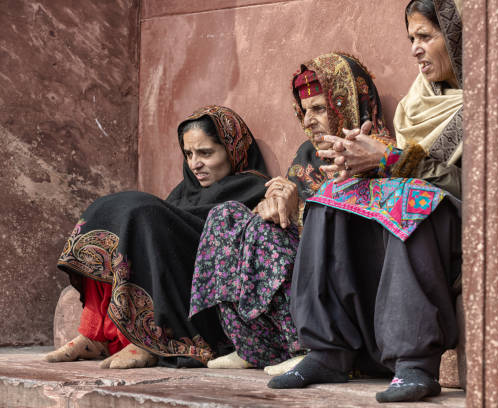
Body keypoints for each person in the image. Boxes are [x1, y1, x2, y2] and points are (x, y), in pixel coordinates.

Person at [268, 0, 463, 403]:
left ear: (458, 38)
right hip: (428, 202)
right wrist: (361, 162)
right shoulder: (414, 105)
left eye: (425, 36)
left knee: (413, 200)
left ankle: (414, 363)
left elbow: (479, 185)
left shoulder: (488, 105)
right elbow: (401, 168)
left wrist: (390, 159)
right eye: (411, 38)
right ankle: (328, 350)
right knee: (332, 195)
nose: (414, 48)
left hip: (467, 216)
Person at [189, 52, 392, 373]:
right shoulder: (308, 153)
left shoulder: (373, 150)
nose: (308, 119)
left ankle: (309, 346)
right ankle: (255, 344)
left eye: (319, 109)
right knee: (225, 217)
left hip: (349, 284)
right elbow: (284, 216)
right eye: (304, 110)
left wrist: (297, 210)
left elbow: (360, 233)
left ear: (346, 103)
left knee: (264, 232)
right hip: (306, 267)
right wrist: (273, 206)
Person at [44, 105, 269, 369]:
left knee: (143, 214)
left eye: (206, 153)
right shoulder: (185, 191)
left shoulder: (254, 188)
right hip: (173, 268)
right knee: (115, 213)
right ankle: (94, 334)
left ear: (234, 150)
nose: (195, 164)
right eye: (188, 154)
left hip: (204, 288)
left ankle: (148, 341)